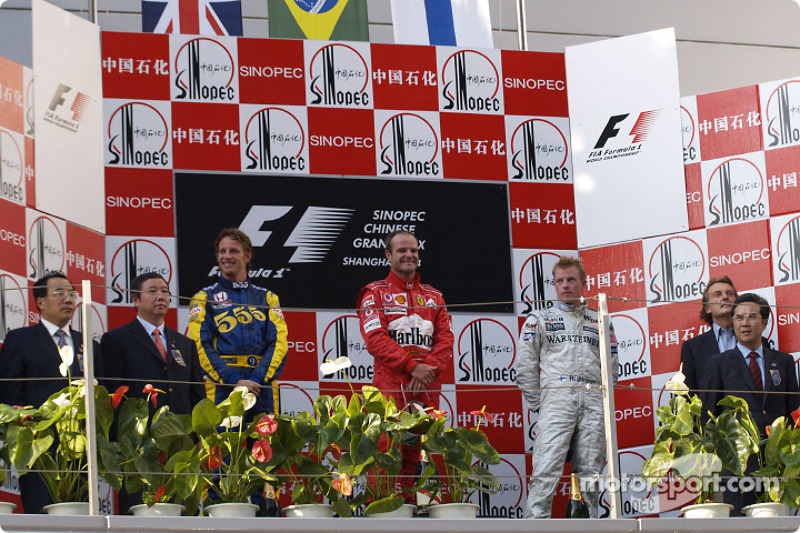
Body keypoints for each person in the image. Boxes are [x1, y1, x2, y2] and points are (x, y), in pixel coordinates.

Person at [515, 256, 618, 519]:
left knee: (592, 473)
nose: (565, 285)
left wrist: (603, 400)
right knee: (546, 469)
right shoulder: (539, 318)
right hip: (557, 399)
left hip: (594, 398)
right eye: (559, 281)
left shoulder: (601, 320)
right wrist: (542, 403)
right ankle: (536, 526)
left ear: (583, 283)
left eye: (571, 279)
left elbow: (612, 365)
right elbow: (525, 368)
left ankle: (590, 522)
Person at [357, 230, 454, 503]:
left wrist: (427, 371)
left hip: (426, 386)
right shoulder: (374, 293)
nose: (409, 254)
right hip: (391, 386)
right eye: (401, 250)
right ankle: (383, 513)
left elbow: (446, 340)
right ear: (388, 256)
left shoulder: (434, 296)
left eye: (413, 250)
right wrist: (413, 367)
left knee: (420, 453)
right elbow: (375, 340)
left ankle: (414, 512)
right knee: (386, 451)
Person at [0, 272, 102, 514]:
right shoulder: (20, 339)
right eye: (59, 293)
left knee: (81, 519)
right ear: (40, 302)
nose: (68, 299)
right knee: (40, 513)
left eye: (71, 293)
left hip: (81, 451)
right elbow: (9, 394)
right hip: (38, 450)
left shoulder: (88, 344)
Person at [700, 293, 799, 515]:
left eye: (752, 317)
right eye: (739, 318)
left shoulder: (783, 362)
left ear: (764, 322)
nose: (745, 323)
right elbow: (708, 417)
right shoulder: (718, 364)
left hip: (777, 465)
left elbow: (794, 412)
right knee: (739, 523)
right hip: (737, 466)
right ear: (733, 322)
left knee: (777, 523)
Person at [188, 228, 288, 417]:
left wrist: (258, 378)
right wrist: (232, 380)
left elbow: (279, 343)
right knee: (221, 446)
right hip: (222, 386)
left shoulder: (267, 298)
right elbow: (200, 344)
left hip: (261, 386)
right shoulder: (203, 297)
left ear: (247, 256)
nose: (227, 256)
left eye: (233, 251)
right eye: (222, 251)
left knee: (264, 446)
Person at [680, 276, 737, 394]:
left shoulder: (758, 342)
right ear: (707, 308)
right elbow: (688, 395)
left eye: (730, 294)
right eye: (718, 294)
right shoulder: (692, 348)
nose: (725, 297)